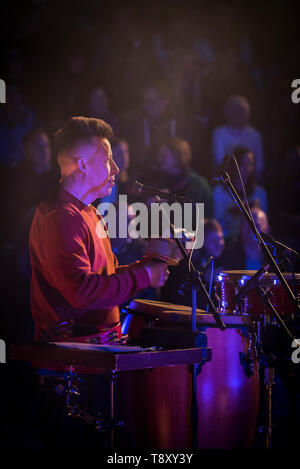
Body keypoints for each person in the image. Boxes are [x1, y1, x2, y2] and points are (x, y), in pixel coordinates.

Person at [29, 116, 169, 344]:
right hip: (74, 362)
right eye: (107, 160)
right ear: (82, 164)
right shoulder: (60, 216)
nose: (116, 168)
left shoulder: (88, 212)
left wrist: (150, 263)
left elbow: (107, 278)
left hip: (95, 353)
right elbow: (81, 292)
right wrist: (144, 276)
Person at [213, 145, 267, 243]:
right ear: (234, 165)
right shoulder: (219, 192)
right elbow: (217, 223)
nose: (247, 168)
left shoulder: (260, 193)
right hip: (228, 243)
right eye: (242, 163)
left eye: (250, 164)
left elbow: (264, 225)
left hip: (252, 243)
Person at [154, 137, 213, 217]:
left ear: (178, 156)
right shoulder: (158, 182)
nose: (159, 159)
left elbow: (205, 218)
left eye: (164, 156)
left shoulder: (198, 186)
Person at [212, 95, 264, 181]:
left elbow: (260, 166)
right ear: (228, 113)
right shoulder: (219, 134)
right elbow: (219, 162)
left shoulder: (255, 136)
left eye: (242, 111)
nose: (239, 114)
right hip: (226, 183)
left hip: (250, 184)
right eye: (235, 111)